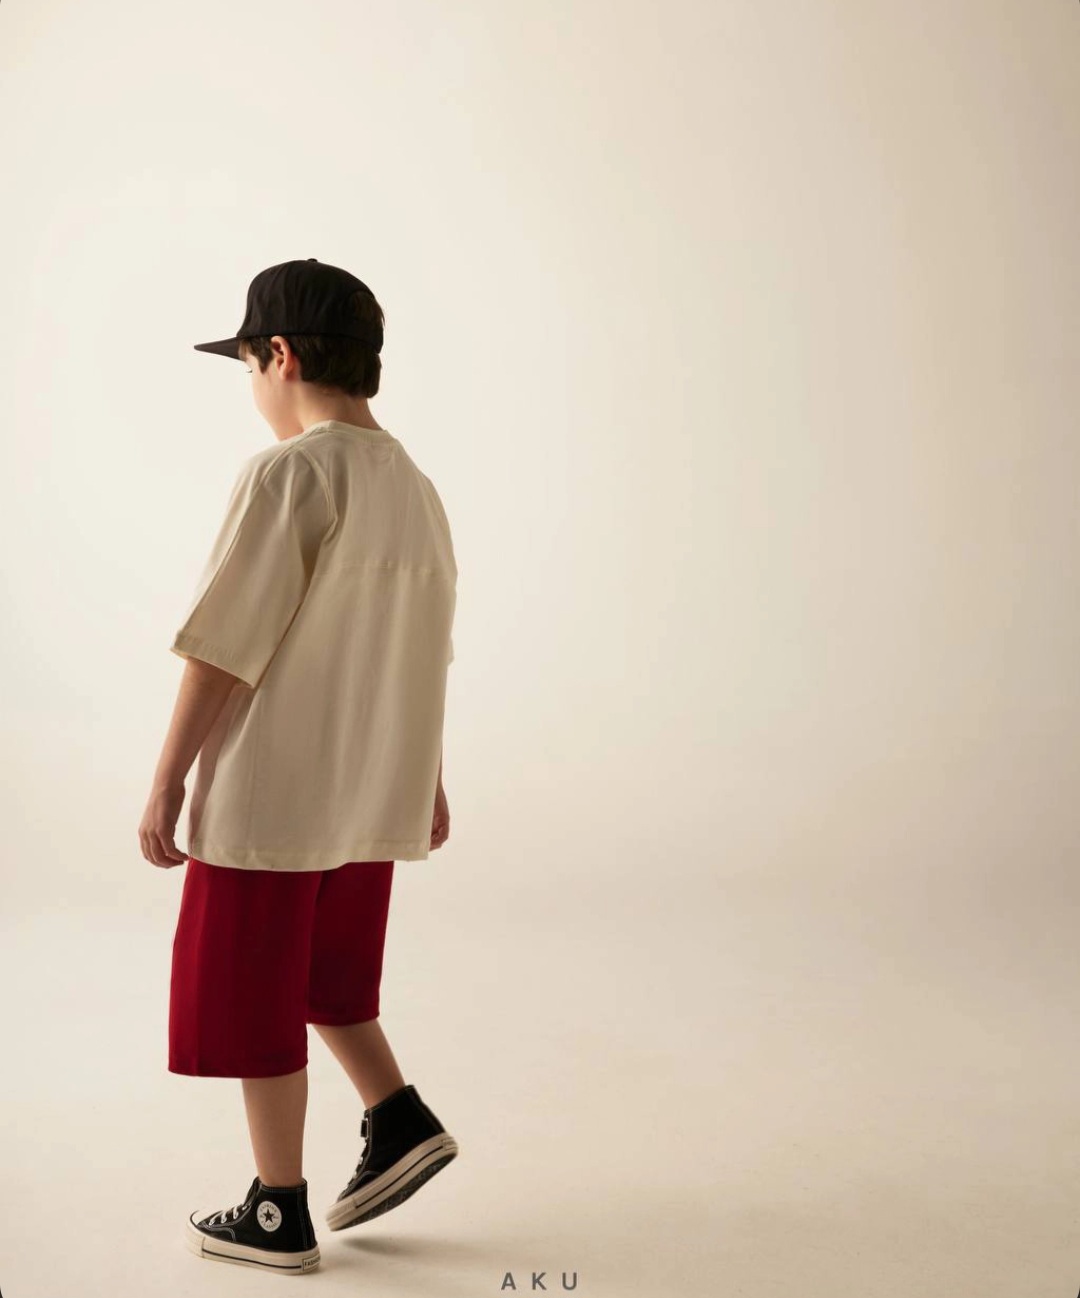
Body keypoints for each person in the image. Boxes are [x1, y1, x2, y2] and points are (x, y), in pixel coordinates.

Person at [137, 258, 459, 1276]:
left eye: (247, 365)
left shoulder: (290, 473)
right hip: (370, 793)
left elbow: (223, 643)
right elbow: (421, 648)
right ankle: (398, 1115)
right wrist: (425, 776)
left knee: (253, 997)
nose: (252, 388)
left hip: (273, 795)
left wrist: (169, 778)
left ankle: (277, 1208)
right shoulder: (416, 487)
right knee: (327, 977)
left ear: (278, 354)